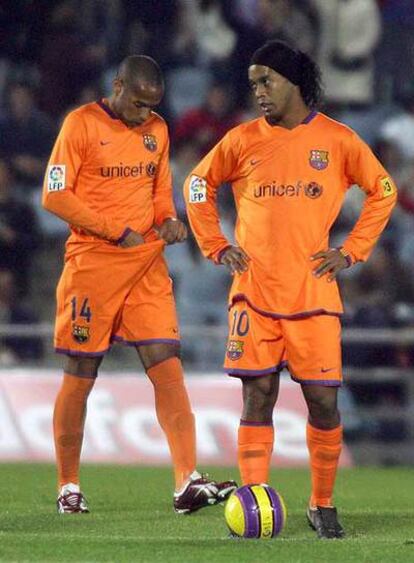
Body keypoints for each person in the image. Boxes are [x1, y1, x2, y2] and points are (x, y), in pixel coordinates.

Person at [184, 40, 397, 539]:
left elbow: (382, 190)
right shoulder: (239, 140)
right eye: (253, 83)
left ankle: (321, 504)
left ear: (294, 81)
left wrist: (352, 250)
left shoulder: (338, 140)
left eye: (267, 81)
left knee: (323, 402)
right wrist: (215, 244)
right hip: (253, 293)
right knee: (257, 396)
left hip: (313, 295)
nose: (258, 91)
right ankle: (254, 499)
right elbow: (197, 186)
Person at [42, 55, 236, 515]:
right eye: (138, 103)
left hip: (146, 262)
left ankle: (186, 481)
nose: (144, 114)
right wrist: (113, 229)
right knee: (81, 374)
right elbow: (55, 194)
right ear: (118, 86)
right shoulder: (80, 125)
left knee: (166, 361)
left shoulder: (158, 130)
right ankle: (68, 484)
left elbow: (158, 190)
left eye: (152, 106)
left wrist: (168, 220)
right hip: (94, 263)